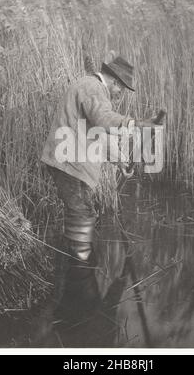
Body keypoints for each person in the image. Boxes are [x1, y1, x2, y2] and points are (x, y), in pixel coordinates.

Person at [41, 55, 156, 265]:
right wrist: (135, 123)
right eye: (121, 88)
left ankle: (70, 263)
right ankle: (80, 268)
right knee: (83, 213)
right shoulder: (93, 88)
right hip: (69, 164)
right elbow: (104, 119)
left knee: (79, 212)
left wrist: (119, 161)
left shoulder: (91, 88)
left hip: (71, 165)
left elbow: (99, 132)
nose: (121, 93)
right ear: (113, 81)